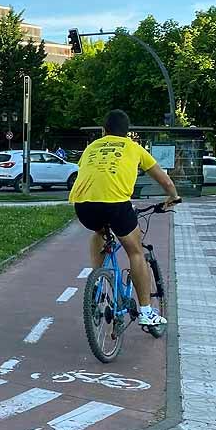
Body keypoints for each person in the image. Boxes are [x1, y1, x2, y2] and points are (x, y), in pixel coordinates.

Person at [69, 109, 181, 329]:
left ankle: (98, 282)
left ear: (104, 131)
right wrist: (173, 196)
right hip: (116, 205)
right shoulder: (134, 148)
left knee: (99, 231)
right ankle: (147, 313)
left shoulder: (91, 148)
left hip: (83, 206)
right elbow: (165, 182)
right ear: (127, 132)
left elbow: (93, 174)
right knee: (135, 251)